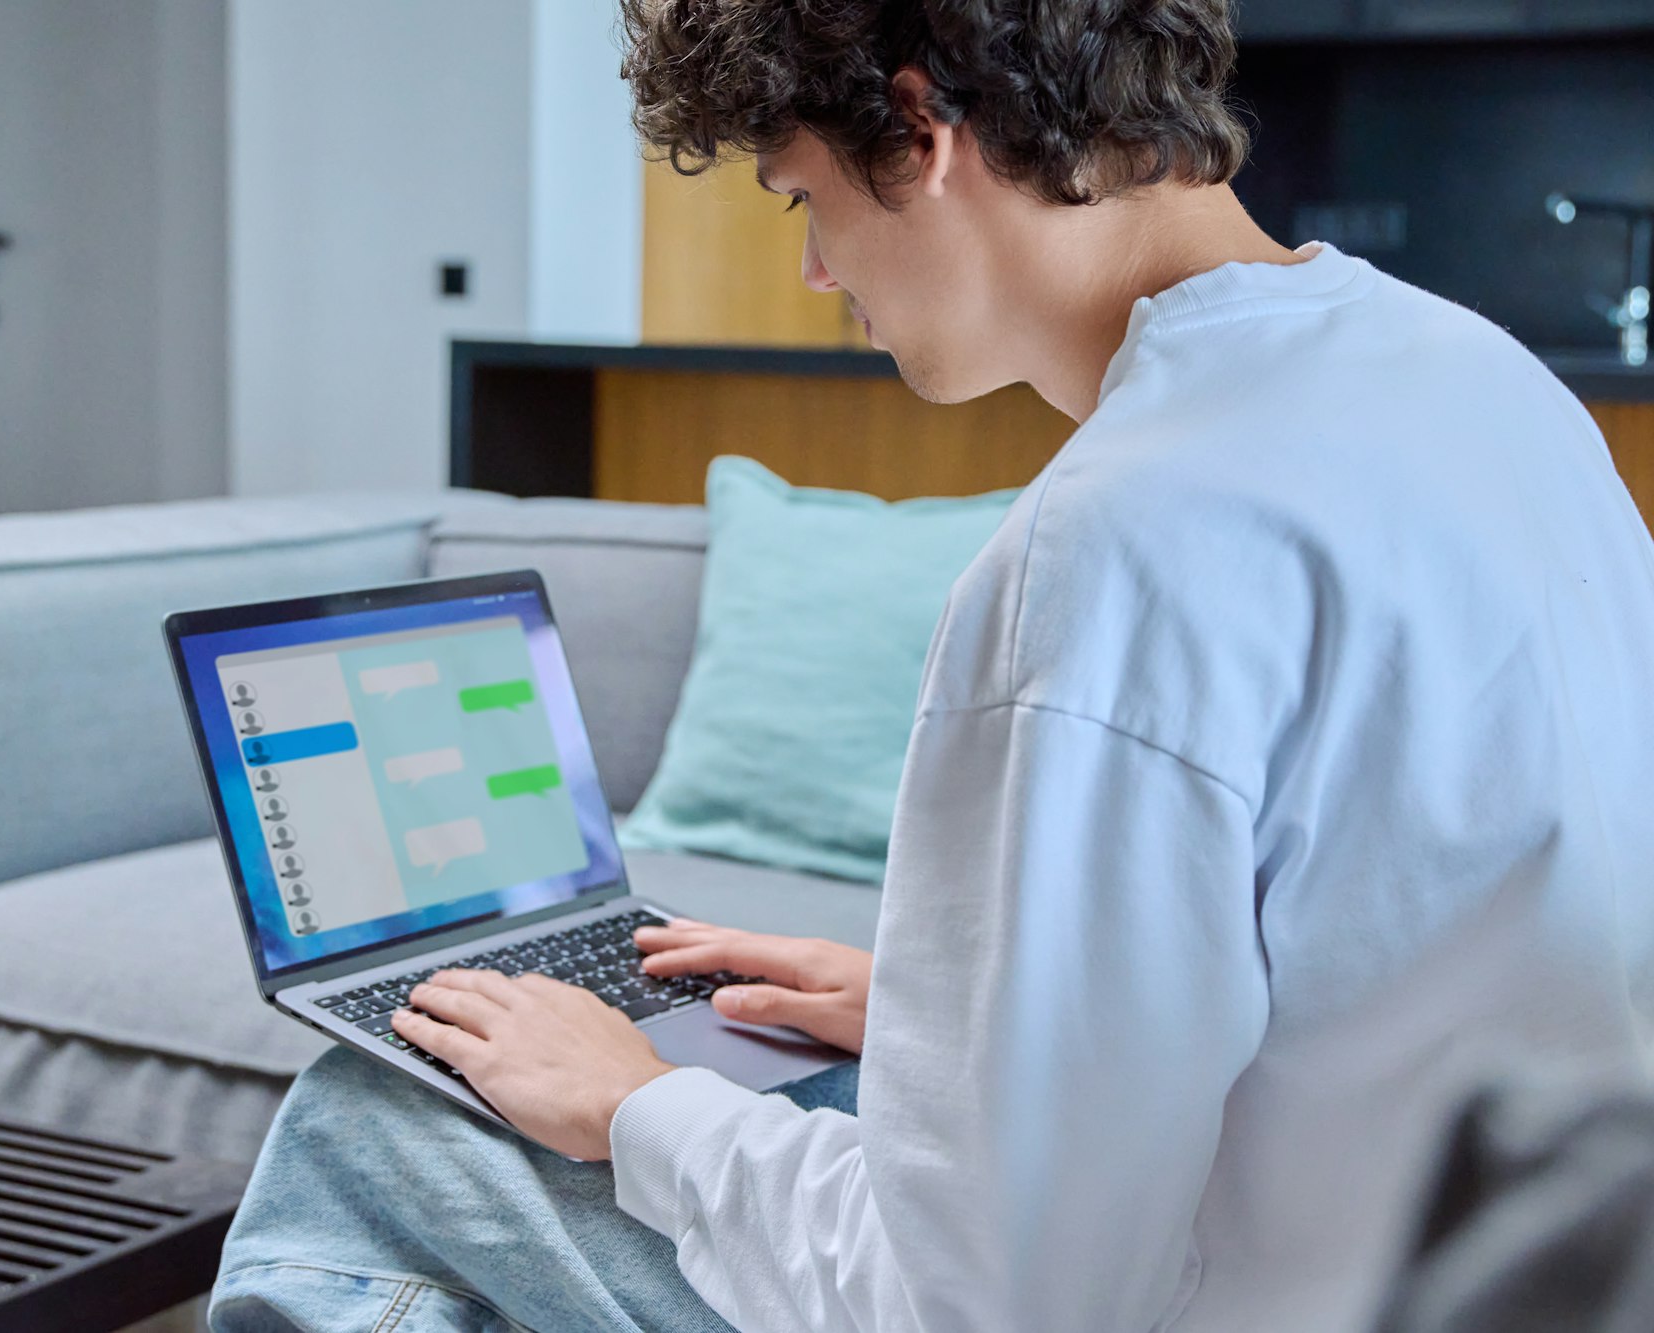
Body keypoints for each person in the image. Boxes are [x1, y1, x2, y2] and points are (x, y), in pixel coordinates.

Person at [210, 2, 1654, 1330]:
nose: (816, 267)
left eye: (802, 196)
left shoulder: (1120, 541)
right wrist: (936, 1006)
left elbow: (969, 1306)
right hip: (1488, 1269)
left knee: (372, 1114)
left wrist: (637, 1106)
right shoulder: (1480, 380)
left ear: (919, 135)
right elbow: (1365, 943)